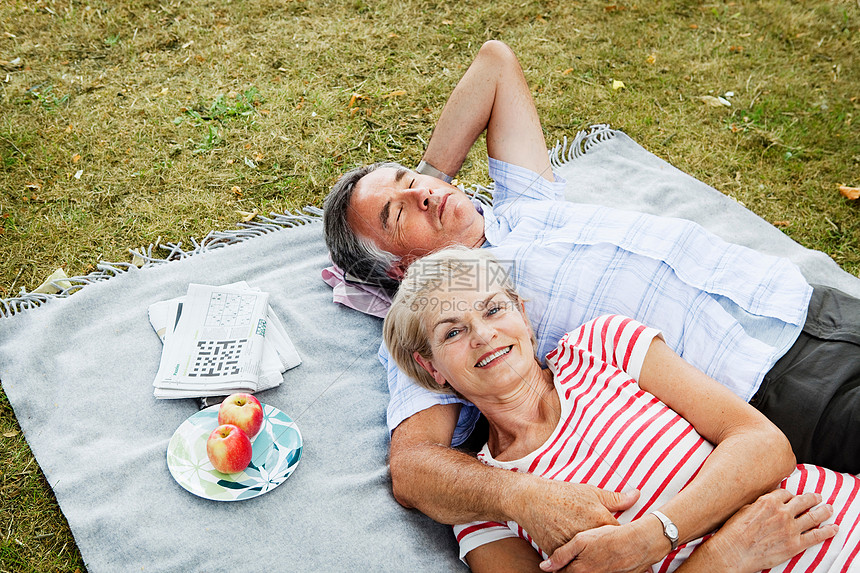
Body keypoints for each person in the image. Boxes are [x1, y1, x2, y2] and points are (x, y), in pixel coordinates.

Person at [322, 40, 860, 565]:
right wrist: (523, 498)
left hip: (795, 301)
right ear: (400, 269)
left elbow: (497, 63)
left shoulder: (522, 206)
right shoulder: (439, 317)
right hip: (771, 384)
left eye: (408, 179)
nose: (421, 193)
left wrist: (430, 188)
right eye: (397, 215)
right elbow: (413, 467)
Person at [382, 247, 857, 573]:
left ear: (523, 315)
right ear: (432, 368)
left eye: (492, 310)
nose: (483, 335)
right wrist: (722, 559)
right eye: (452, 332)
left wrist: (649, 539)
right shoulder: (479, 503)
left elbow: (766, 446)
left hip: (837, 516)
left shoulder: (600, 346)